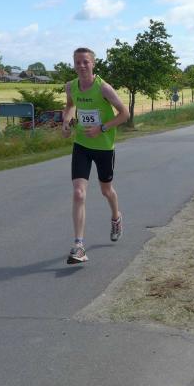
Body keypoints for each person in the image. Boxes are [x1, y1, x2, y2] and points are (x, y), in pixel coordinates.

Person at [62, 47, 130, 264]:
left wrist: (101, 128)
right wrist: (67, 123)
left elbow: (125, 114)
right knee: (79, 193)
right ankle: (79, 245)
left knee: (106, 190)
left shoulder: (104, 88)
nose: (81, 66)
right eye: (78, 62)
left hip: (104, 147)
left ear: (93, 64)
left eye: (85, 62)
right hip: (81, 145)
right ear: (74, 64)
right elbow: (70, 107)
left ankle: (116, 217)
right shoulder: (71, 86)